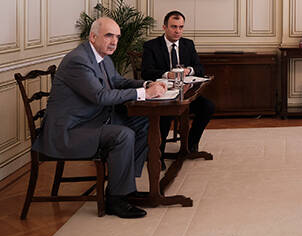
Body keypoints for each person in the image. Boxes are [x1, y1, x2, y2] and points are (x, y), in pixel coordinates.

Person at [32, 17, 166, 219]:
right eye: (109, 36)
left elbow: (119, 81)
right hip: (68, 132)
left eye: (117, 37)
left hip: (92, 120)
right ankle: (115, 200)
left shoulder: (102, 56)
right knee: (123, 134)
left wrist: (147, 84)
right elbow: (100, 96)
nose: (114, 42)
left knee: (144, 121)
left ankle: (125, 186)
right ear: (93, 37)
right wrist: (144, 94)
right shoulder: (78, 60)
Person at [141, 11, 215, 158]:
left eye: (181, 27)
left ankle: (190, 145)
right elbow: (146, 72)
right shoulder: (151, 46)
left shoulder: (188, 44)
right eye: (174, 27)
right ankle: (158, 155)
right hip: (164, 95)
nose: (177, 31)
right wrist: (167, 74)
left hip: (185, 94)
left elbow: (200, 68)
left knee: (208, 107)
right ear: (164, 27)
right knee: (165, 115)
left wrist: (189, 70)